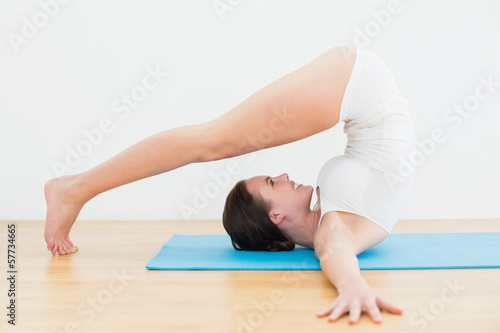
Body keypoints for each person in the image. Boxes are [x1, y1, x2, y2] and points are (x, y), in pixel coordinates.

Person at [44, 44, 416, 324]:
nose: (285, 175)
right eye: (273, 182)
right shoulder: (335, 230)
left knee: (210, 141)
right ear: (277, 216)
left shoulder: (332, 221)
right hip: (356, 84)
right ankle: (72, 189)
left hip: (356, 84)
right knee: (208, 142)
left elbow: (333, 252)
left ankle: (74, 189)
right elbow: (335, 254)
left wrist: (350, 282)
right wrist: (353, 287)